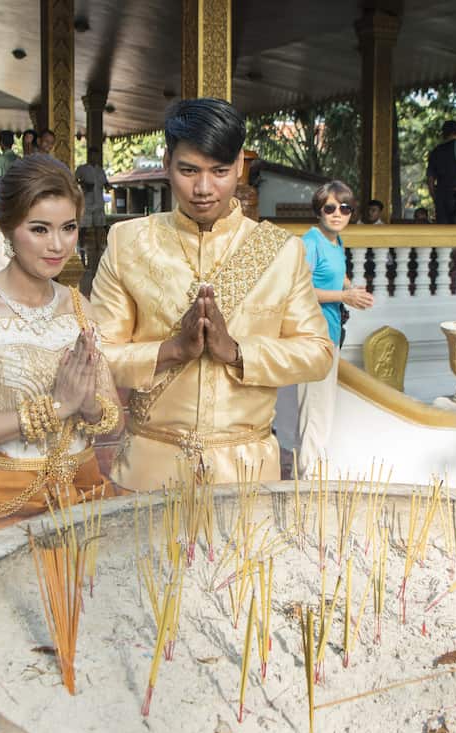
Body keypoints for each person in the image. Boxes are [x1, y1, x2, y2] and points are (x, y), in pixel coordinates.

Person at [91, 98, 333, 491]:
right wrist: (172, 350)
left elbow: (318, 353)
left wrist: (237, 351)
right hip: (149, 470)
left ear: (240, 164)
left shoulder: (280, 251)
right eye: (189, 170)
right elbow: (99, 355)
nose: (203, 188)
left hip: (246, 472)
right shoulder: (129, 242)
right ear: (167, 161)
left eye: (220, 171)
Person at [0, 154, 121, 559]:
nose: (58, 245)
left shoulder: (80, 307)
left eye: (68, 228)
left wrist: (86, 404)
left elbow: (110, 416)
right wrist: (55, 408)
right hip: (1, 506)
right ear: (6, 227)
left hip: (82, 495)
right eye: (40, 229)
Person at [297, 181, 374, 473]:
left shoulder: (336, 242)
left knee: (323, 410)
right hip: (312, 336)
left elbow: (337, 274)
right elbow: (300, 289)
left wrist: (352, 289)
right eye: (330, 208)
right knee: (314, 413)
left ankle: (308, 476)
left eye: (345, 208)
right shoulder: (311, 242)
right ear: (319, 210)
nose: (337, 214)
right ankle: (308, 483)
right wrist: (344, 296)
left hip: (332, 333)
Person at [75, 146, 111, 293]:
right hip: (87, 201)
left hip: (98, 203)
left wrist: (108, 186)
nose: (95, 158)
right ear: (89, 156)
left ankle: (97, 250)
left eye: (97, 156)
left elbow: (105, 183)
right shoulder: (82, 169)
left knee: (99, 226)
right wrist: (83, 184)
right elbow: (75, 180)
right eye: (93, 155)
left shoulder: (100, 171)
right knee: (84, 227)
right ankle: (81, 250)